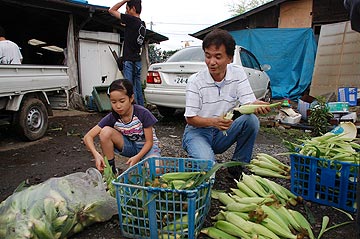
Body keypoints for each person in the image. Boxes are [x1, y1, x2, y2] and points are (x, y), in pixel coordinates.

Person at [182, 28, 271, 179]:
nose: (211, 62)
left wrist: (258, 105)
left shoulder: (237, 73)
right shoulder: (195, 81)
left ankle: (237, 165)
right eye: (208, 56)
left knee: (251, 121)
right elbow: (190, 118)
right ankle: (200, 155)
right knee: (209, 170)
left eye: (218, 57)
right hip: (198, 132)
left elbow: (248, 102)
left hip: (222, 132)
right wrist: (213, 122)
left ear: (229, 58)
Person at [83, 79, 161, 174]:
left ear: (131, 98)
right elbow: (88, 137)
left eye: (122, 101)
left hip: (148, 148)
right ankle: (111, 172)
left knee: (155, 170)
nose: (118, 106)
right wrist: (96, 155)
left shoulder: (143, 113)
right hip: (131, 147)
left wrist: (137, 157)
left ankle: (145, 162)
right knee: (105, 132)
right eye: (113, 102)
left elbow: (149, 142)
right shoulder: (112, 117)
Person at [109, 0, 146, 106]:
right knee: (137, 89)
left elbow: (111, 10)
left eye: (127, 9)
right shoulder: (142, 24)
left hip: (129, 61)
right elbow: (132, 30)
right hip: (137, 60)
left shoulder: (131, 20)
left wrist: (125, 0)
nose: (125, 12)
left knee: (128, 89)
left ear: (133, 8)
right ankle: (141, 114)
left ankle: (133, 113)